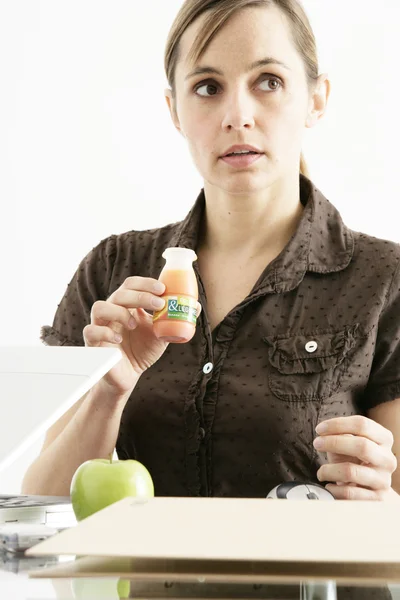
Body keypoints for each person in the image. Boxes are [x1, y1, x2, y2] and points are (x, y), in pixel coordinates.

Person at [22, 0, 400, 503]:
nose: (237, 116)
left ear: (316, 98)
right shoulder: (112, 272)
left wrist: (383, 503)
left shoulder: (383, 280)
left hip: (310, 583)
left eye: (268, 81)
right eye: (207, 87)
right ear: (175, 109)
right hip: (146, 582)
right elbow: (44, 501)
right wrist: (110, 391)